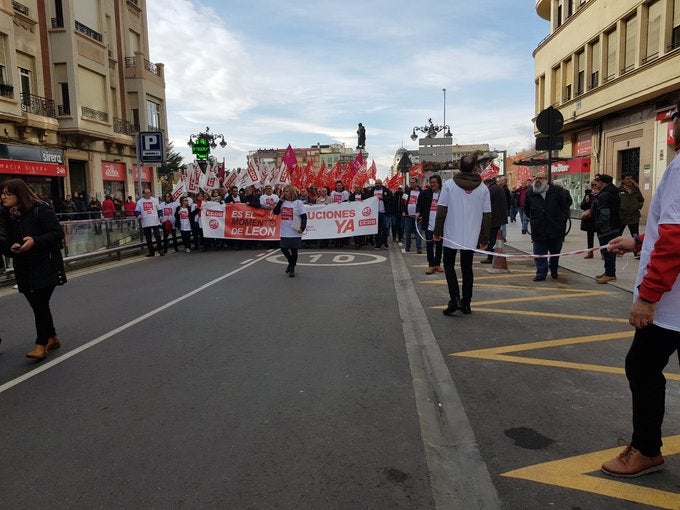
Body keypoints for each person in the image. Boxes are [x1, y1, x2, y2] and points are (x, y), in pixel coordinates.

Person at [600, 105, 680, 479]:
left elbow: (675, 240)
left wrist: (648, 297)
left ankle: (646, 449)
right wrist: (638, 243)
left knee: (642, 366)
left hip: (671, 303)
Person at [0, 178, 66, 359]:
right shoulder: (8, 215)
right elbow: (3, 238)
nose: (3, 197)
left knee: (39, 303)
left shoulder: (40, 209)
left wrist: (35, 241)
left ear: (19, 194)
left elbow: (57, 234)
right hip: (24, 264)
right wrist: (10, 247)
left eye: (8, 194)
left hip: (46, 263)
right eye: (2, 193)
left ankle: (41, 343)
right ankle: (52, 337)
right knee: (38, 304)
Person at [434, 154, 491, 315]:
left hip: (452, 233)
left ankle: (455, 298)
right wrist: (484, 238)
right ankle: (466, 303)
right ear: (474, 168)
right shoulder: (483, 188)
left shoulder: (449, 185)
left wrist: (437, 232)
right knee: (467, 268)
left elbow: (441, 210)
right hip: (471, 236)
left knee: (449, 265)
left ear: (459, 167)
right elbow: (487, 215)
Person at [523, 172, 570, 281]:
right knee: (539, 252)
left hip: (555, 228)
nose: (537, 180)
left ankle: (554, 269)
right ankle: (541, 273)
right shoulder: (530, 193)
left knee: (555, 252)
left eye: (540, 178)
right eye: (535, 178)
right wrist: (535, 218)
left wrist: (561, 221)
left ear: (546, 179)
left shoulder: (557, 191)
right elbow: (526, 209)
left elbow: (565, 207)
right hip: (538, 228)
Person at [273, 184, 307, 277]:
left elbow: (304, 216)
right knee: (283, 248)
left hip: (295, 230)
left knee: (294, 250)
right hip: (285, 229)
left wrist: (302, 228)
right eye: (284, 191)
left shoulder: (298, 203)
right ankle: (291, 262)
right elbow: (275, 212)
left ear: (291, 192)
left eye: (287, 191)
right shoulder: (283, 202)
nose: (285, 193)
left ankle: (292, 268)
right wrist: (280, 200)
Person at [593, 173, 620, 283]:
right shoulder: (613, 192)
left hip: (607, 228)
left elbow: (605, 213)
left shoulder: (605, 195)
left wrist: (598, 224)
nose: (596, 184)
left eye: (597, 181)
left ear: (602, 183)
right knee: (609, 251)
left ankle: (610, 274)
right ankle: (608, 271)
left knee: (607, 251)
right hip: (614, 224)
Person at [416, 174, 443, 274]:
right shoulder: (425, 193)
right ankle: (431, 265)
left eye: (434, 183)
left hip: (440, 225)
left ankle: (438, 264)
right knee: (429, 245)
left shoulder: (444, 193)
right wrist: (418, 212)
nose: (432, 184)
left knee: (439, 245)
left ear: (439, 183)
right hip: (428, 224)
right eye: (431, 183)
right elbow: (419, 204)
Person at [481, 177, 508, 264]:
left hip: (494, 218)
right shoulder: (498, 188)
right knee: (495, 237)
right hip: (499, 217)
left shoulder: (492, 189)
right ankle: (492, 255)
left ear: (487, 184)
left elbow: (486, 202)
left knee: (492, 238)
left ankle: (490, 256)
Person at [618, 172, 644, 258]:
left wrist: (638, 206)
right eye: (627, 179)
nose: (630, 181)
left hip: (634, 215)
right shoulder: (619, 190)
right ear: (623, 180)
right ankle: (618, 250)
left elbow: (641, 199)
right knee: (618, 234)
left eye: (631, 178)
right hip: (622, 216)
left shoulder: (635, 189)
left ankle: (637, 251)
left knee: (635, 234)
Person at [135, 187, 164, 257]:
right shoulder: (140, 202)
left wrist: (160, 216)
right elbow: (136, 211)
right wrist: (138, 215)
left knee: (157, 236)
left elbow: (159, 210)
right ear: (143, 194)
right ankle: (151, 252)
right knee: (148, 238)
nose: (148, 194)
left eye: (149, 193)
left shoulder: (155, 200)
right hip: (145, 222)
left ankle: (160, 250)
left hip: (155, 221)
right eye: (146, 193)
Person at [369, 179, 392, 250]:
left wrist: (382, 198)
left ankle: (384, 243)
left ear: (381, 184)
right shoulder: (372, 191)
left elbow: (391, 199)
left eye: (379, 183)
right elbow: (367, 199)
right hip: (375, 214)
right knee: (377, 230)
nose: (377, 185)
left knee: (386, 229)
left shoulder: (386, 190)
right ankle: (378, 244)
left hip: (384, 213)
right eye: (376, 183)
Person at [403, 177, 422, 253]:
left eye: (413, 182)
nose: (412, 184)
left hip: (418, 216)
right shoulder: (407, 192)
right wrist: (403, 211)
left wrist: (421, 213)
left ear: (417, 183)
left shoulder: (422, 192)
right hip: (408, 216)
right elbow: (403, 202)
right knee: (407, 232)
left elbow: (423, 204)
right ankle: (407, 246)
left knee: (418, 233)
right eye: (411, 182)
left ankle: (419, 248)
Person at [580, 180, 598, 259]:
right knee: (590, 236)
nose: (594, 186)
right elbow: (582, 206)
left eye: (595, 184)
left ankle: (603, 253)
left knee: (601, 236)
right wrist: (587, 200)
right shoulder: (588, 194)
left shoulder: (601, 193)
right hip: (590, 218)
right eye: (592, 184)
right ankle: (590, 252)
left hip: (598, 217)